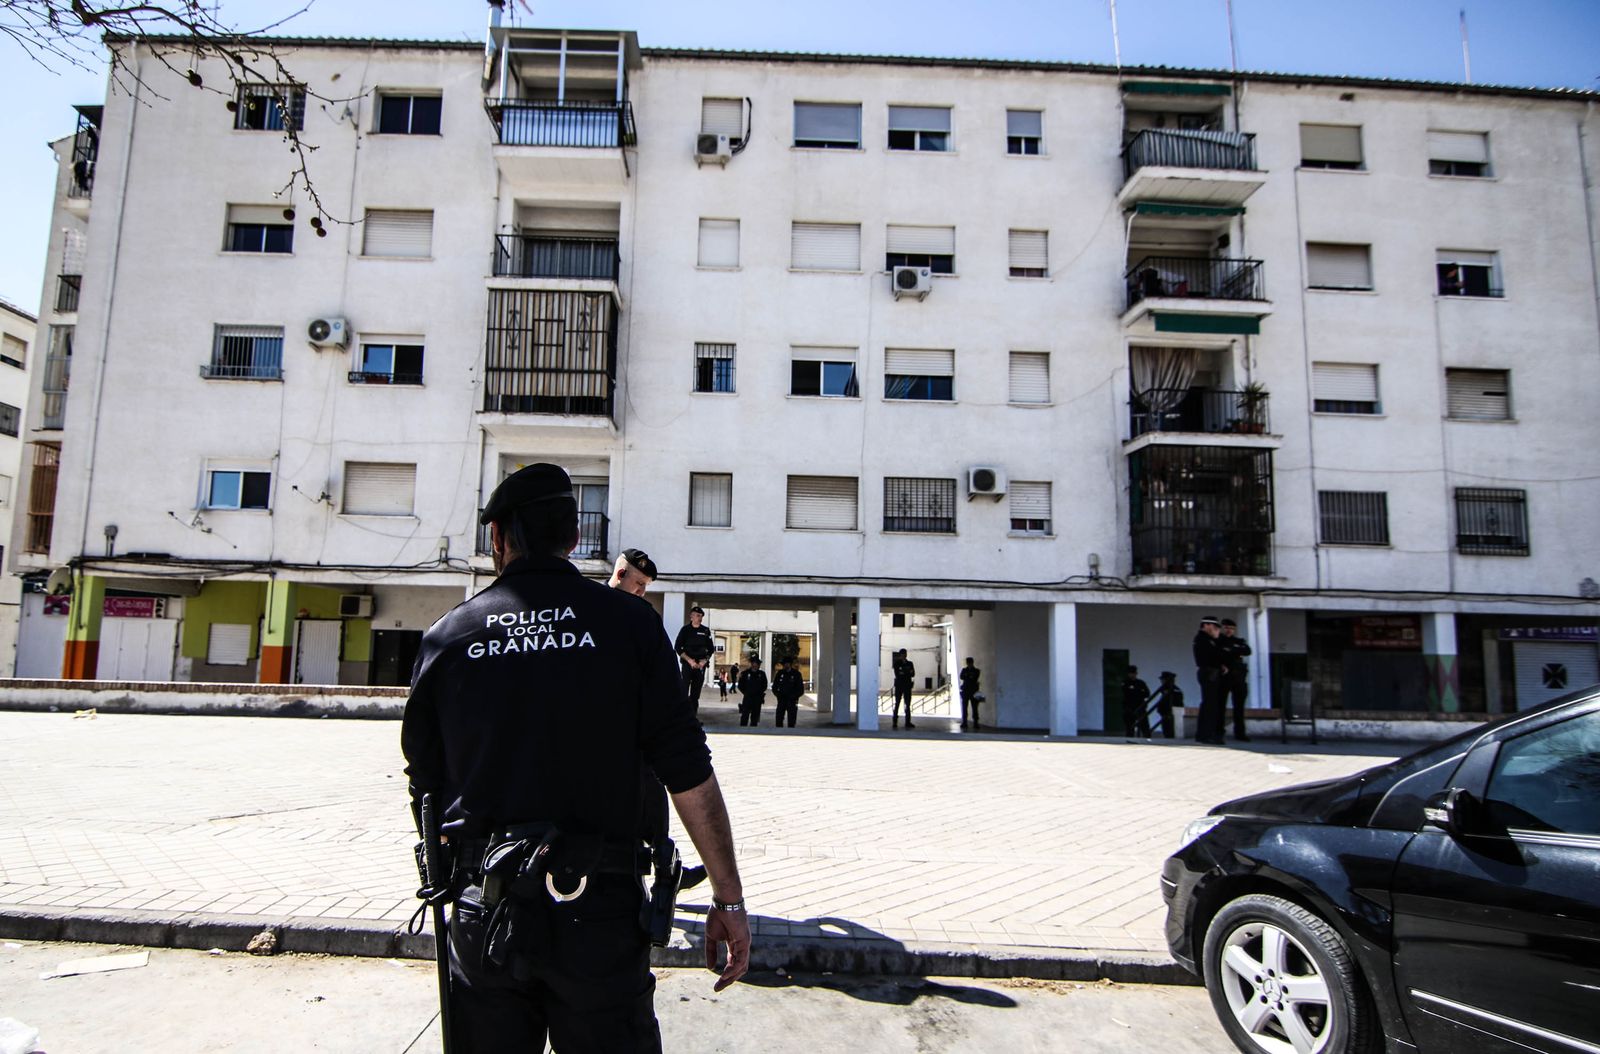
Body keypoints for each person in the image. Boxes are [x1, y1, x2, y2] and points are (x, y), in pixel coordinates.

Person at [401, 463, 749, 1051]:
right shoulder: (630, 627)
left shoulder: (448, 638)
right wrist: (728, 897)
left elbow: (425, 784)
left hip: (483, 912)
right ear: (574, 539)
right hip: (600, 918)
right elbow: (686, 766)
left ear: (496, 539)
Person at [1192, 615, 1229, 745]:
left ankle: (1206, 734)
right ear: (1206, 625)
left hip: (1212, 672)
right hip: (1208, 672)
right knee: (1209, 705)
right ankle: (1206, 734)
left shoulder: (1209, 639)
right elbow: (1212, 655)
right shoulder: (1202, 639)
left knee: (1211, 704)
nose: (1215, 630)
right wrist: (1217, 640)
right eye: (1213, 627)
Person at [1219, 618, 1253, 742]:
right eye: (1227, 628)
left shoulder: (1239, 641)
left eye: (1232, 629)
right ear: (1222, 628)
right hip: (1224, 678)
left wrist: (1232, 649)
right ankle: (1219, 732)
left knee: (1239, 708)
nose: (1229, 631)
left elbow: (1247, 651)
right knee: (1220, 706)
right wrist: (1234, 650)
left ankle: (1240, 733)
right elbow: (1220, 654)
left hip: (1239, 678)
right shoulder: (1219, 641)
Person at [674, 606, 715, 708]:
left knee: (695, 695)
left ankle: (693, 718)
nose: (699, 618)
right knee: (683, 692)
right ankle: (682, 719)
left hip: (701, 665)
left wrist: (704, 660)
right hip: (688, 664)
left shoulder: (705, 630)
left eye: (701, 616)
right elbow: (678, 647)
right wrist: (689, 660)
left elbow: (711, 649)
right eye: (697, 615)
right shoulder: (685, 630)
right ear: (691, 616)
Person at [1147, 671, 1183, 740]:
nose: (1162, 681)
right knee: (1166, 731)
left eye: (1163, 679)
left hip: (1171, 714)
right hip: (1164, 713)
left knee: (1170, 732)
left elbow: (1177, 703)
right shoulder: (1164, 689)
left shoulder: (1174, 690)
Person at [771, 658, 804, 728]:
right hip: (781, 699)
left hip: (792, 700)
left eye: (787, 663)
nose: (786, 665)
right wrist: (778, 695)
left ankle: (791, 732)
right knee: (779, 718)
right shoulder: (780, 674)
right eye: (784, 664)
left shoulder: (796, 674)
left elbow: (800, 689)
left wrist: (795, 696)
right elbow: (775, 687)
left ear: (790, 664)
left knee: (791, 720)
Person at [1121, 665, 1152, 740]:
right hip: (1129, 708)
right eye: (1130, 673)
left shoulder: (1141, 683)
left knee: (1144, 725)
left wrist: (1138, 693)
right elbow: (1126, 693)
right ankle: (1129, 740)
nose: (1132, 675)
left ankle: (1147, 739)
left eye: (1134, 673)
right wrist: (1138, 693)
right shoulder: (1125, 682)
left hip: (1140, 707)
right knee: (1130, 726)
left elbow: (1147, 693)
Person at [736, 657, 769, 727]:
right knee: (745, 715)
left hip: (757, 698)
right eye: (754, 663)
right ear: (752, 664)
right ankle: (743, 729)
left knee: (755, 717)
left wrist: (759, 692)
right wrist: (746, 692)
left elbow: (765, 685)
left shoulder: (762, 674)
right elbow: (740, 685)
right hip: (748, 698)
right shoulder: (745, 673)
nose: (756, 665)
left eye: (757, 664)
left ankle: (753, 729)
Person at [891, 648, 916, 730]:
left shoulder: (910, 663)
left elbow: (913, 674)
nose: (904, 656)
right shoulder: (897, 663)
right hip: (899, 686)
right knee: (897, 703)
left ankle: (908, 722)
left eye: (905, 654)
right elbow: (897, 674)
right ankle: (895, 722)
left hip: (907, 686)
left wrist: (904, 672)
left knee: (907, 704)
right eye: (902, 654)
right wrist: (907, 672)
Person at [958, 657, 982, 730]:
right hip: (966, 691)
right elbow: (961, 677)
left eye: (969, 662)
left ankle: (975, 722)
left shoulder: (976, 671)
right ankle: (964, 722)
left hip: (973, 691)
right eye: (968, 662)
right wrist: (969, 676)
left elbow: (974, 678)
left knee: (975, 707)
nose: (968, 664)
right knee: (964, 707)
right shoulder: (964, 670)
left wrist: (967, 676)